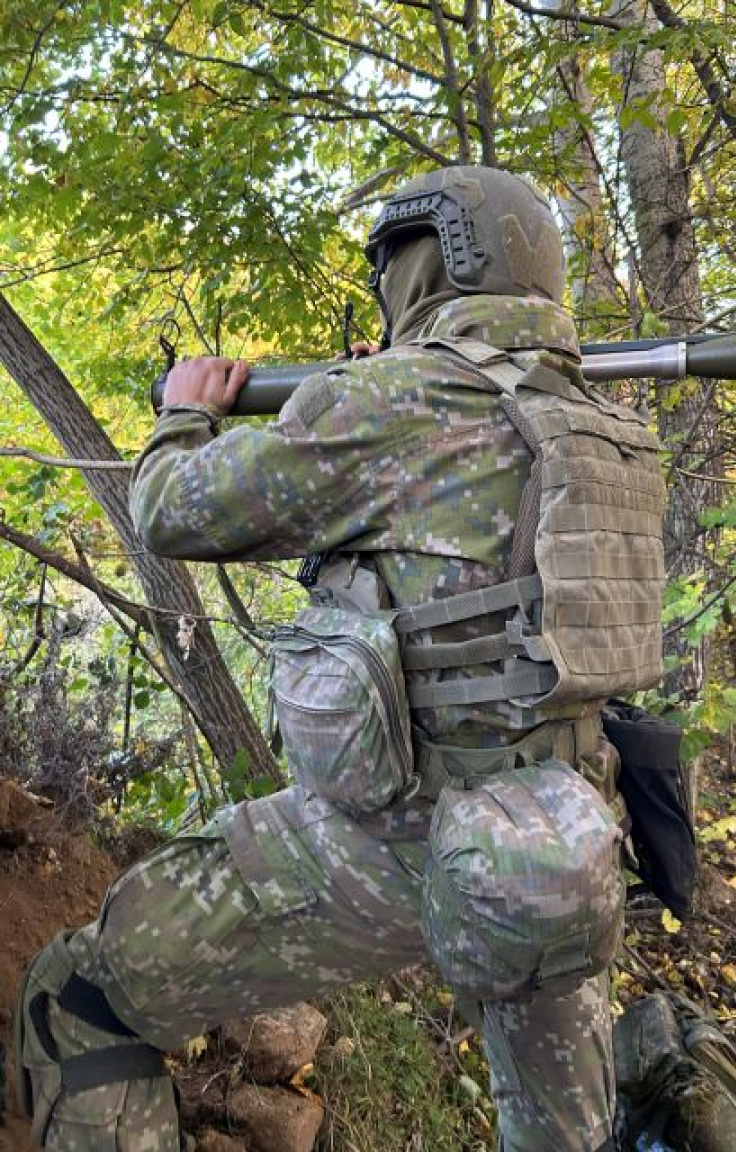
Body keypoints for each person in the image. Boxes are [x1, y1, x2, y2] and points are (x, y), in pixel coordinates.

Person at [15, 166, 639, 1152]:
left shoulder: (389, 402)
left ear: (430, 264)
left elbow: (171, 510)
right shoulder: (603, 426)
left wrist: (185, 412)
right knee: (565, 1136)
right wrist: (375, 388)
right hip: (563, 848)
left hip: (394, 846)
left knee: (76, 998)